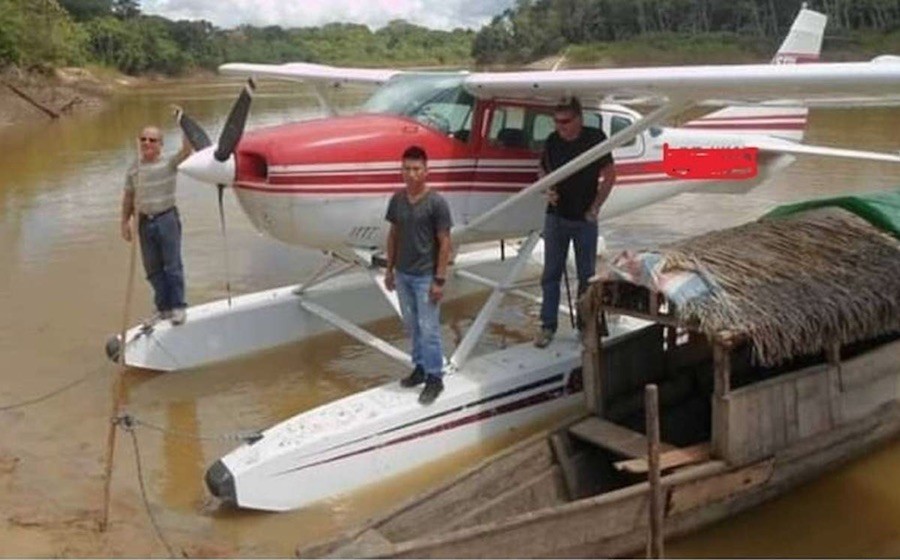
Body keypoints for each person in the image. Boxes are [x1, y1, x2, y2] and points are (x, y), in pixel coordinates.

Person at [534, 97, 617, 348]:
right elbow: (542, 169)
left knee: (586, 276)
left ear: (579, 119)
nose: (560, 127)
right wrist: (547, 187)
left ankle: (586, 326)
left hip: (584, 218)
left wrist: (595, 207)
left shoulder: (595, 138)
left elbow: (610, 175)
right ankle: (547, 326)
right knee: (550, 274)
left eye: (565, 121)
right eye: (556, 122)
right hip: (556, 216)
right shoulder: (552, 141)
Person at [384, 145, 453, 405]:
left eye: (416, 169)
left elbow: (445, 242)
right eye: (406, 169)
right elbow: (393, 236)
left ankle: (436, 377)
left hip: (426, 277)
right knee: (412, 326)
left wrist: (439, 279)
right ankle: (420, 367)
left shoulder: (436, 203)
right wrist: (390, 270)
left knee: (429, 328)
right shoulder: (397, 200)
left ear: (426, 171)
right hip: (403, 274)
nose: (411, 174)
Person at [120, 125, 192, 326]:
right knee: (153, 269)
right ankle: (163, 308)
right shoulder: (134, 168)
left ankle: (178, 306)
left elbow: (187, 151)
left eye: (152, 140)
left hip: (166, 218)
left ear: (161, 144)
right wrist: (124, 222)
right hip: (144, 221)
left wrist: (184, 124)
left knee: (173, 266)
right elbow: (128, 197)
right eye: (143, 139)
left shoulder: (169, 163)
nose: (147, 143)